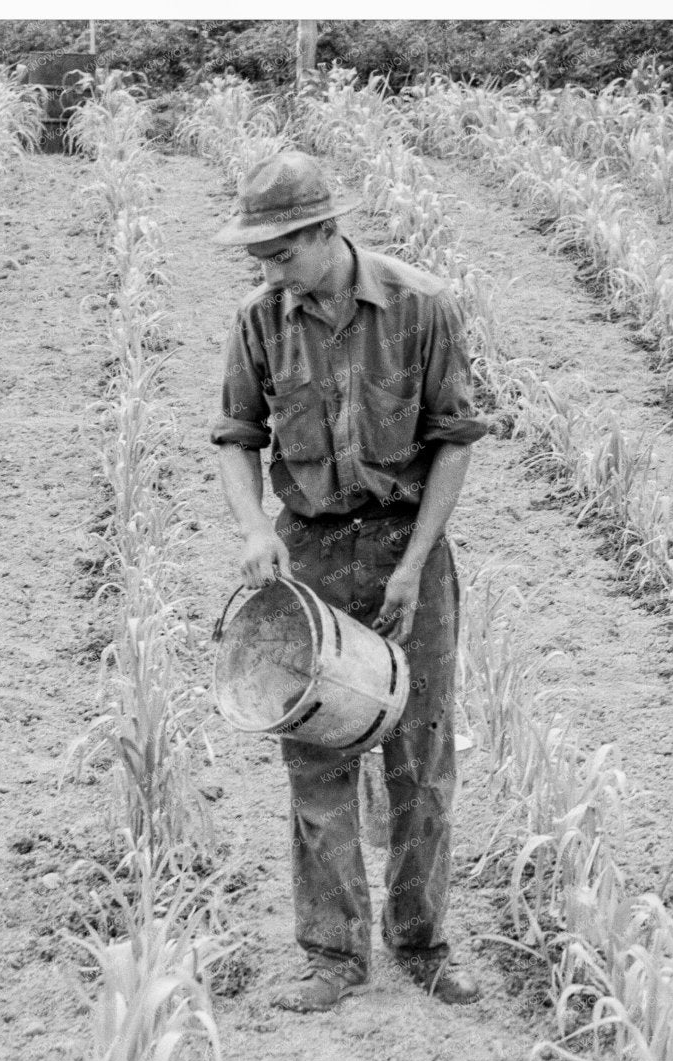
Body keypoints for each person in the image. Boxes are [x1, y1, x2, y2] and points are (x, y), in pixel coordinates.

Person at [209, 150, 486, 1013]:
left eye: (282, 252)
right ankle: (333, 956)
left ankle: (424, 941)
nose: (270, 270)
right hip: (314, 553)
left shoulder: (421, 305)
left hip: (410, 548)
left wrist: (412, 565)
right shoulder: (259, 320)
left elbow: (454, 438)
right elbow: (235, 437)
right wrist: (256, 528)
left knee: (420, 752)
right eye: (259, 257)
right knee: (316, 755)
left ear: (328, 233)